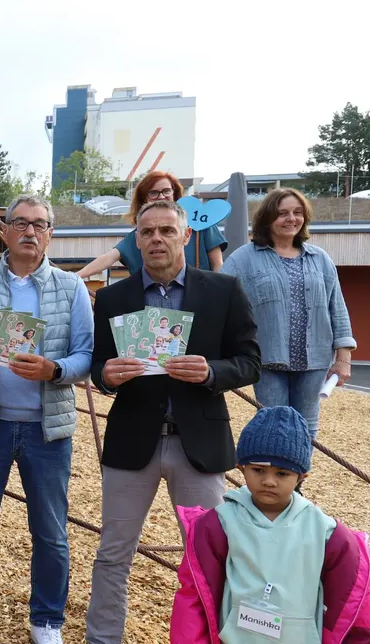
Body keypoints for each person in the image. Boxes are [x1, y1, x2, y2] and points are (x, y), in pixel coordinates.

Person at [85, 200, 261, 644]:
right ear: (136, 241)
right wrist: (105, 376)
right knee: (113, 554)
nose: (156, 239)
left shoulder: (222, 290)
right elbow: (99, 365)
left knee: (209, 555)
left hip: (198, 442)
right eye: (147, 232)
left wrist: (212, 372)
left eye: (166, 230)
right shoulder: (112, 298)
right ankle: (102, 639)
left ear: (186, 236)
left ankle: (210, 637)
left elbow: (250, 361)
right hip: (132, 443)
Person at [0, 194, 94, 644]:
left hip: (48, 428)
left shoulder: (71, 288)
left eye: (40, 224)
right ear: (5, 230)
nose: (30, 231)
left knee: (50, 531)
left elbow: (86, 354)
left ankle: (46, 618)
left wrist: (56, 370)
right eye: (21, 223)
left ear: (51, 233)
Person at [171, 405, 370, 642]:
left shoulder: (328, 534)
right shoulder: (217, 525)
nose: (269, 481)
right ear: (242, 468)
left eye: (282, 474)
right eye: (258, 470)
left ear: (302, 477)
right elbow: (194, 597)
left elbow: (355, 607)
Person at [221, 188, 355, 440]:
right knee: (274, 424)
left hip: (314, 359)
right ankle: (272, 480)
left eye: (297, 212)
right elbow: (219, 301)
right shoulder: (243, 259)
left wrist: (343, 359)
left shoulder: (320, 259)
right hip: (267, 358)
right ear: (268, 218)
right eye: (282, 213)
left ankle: (296, 481)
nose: (291, 219)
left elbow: (337, 307)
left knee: (307, 426)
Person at [76, 172, 226, 280]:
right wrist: (75, 277)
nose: (161, 196)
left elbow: (218, 264)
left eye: (166, 191)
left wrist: (216, 291)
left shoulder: (201, 224)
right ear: (144, 199)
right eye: (153, 193)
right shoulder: (140, 234)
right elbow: (108, 258)